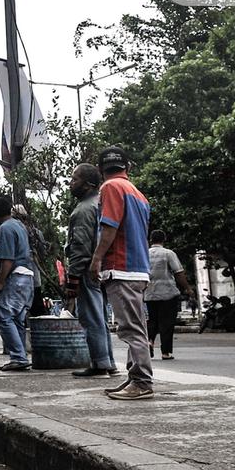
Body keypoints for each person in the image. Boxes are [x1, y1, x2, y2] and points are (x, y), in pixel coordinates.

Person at [89, 146, 153, 401]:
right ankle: (134, 377)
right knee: (136, 326)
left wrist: (96, 258)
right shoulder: (137, 193)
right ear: (129, 166)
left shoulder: (110, 187)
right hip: (138, 268)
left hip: (121, 267)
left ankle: (141, 382)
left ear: (99, 169)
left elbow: (110, 227)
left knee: (131, 329)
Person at [63, 164, 116, 377]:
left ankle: (100, 363)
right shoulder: (100, 204)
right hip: (102, 268)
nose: (70, 183)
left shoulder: (83, 210)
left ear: (88, 185)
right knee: (100, 316)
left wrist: (73, 278)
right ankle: (107, 361)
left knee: (91, 317)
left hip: (87, 270)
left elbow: (80, 247)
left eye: (74, 179)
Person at [0, 197, 36, 371]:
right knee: (17, 318)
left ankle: (18, 356)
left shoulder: (5, 228)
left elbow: (7, 259)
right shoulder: (19, 225)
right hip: (26, 277)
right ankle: (20, 356)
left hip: (15, 277)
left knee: (2, 313)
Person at [145, 230, 191, 360]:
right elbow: (178, 272)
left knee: (152, 320)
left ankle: (150, 341)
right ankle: (165, 352)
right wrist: (187, 288)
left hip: (149, 293)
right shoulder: (168, 253)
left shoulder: (145, 254)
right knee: (167, 322)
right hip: (168, 294)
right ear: (164, 239)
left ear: (151, 240)